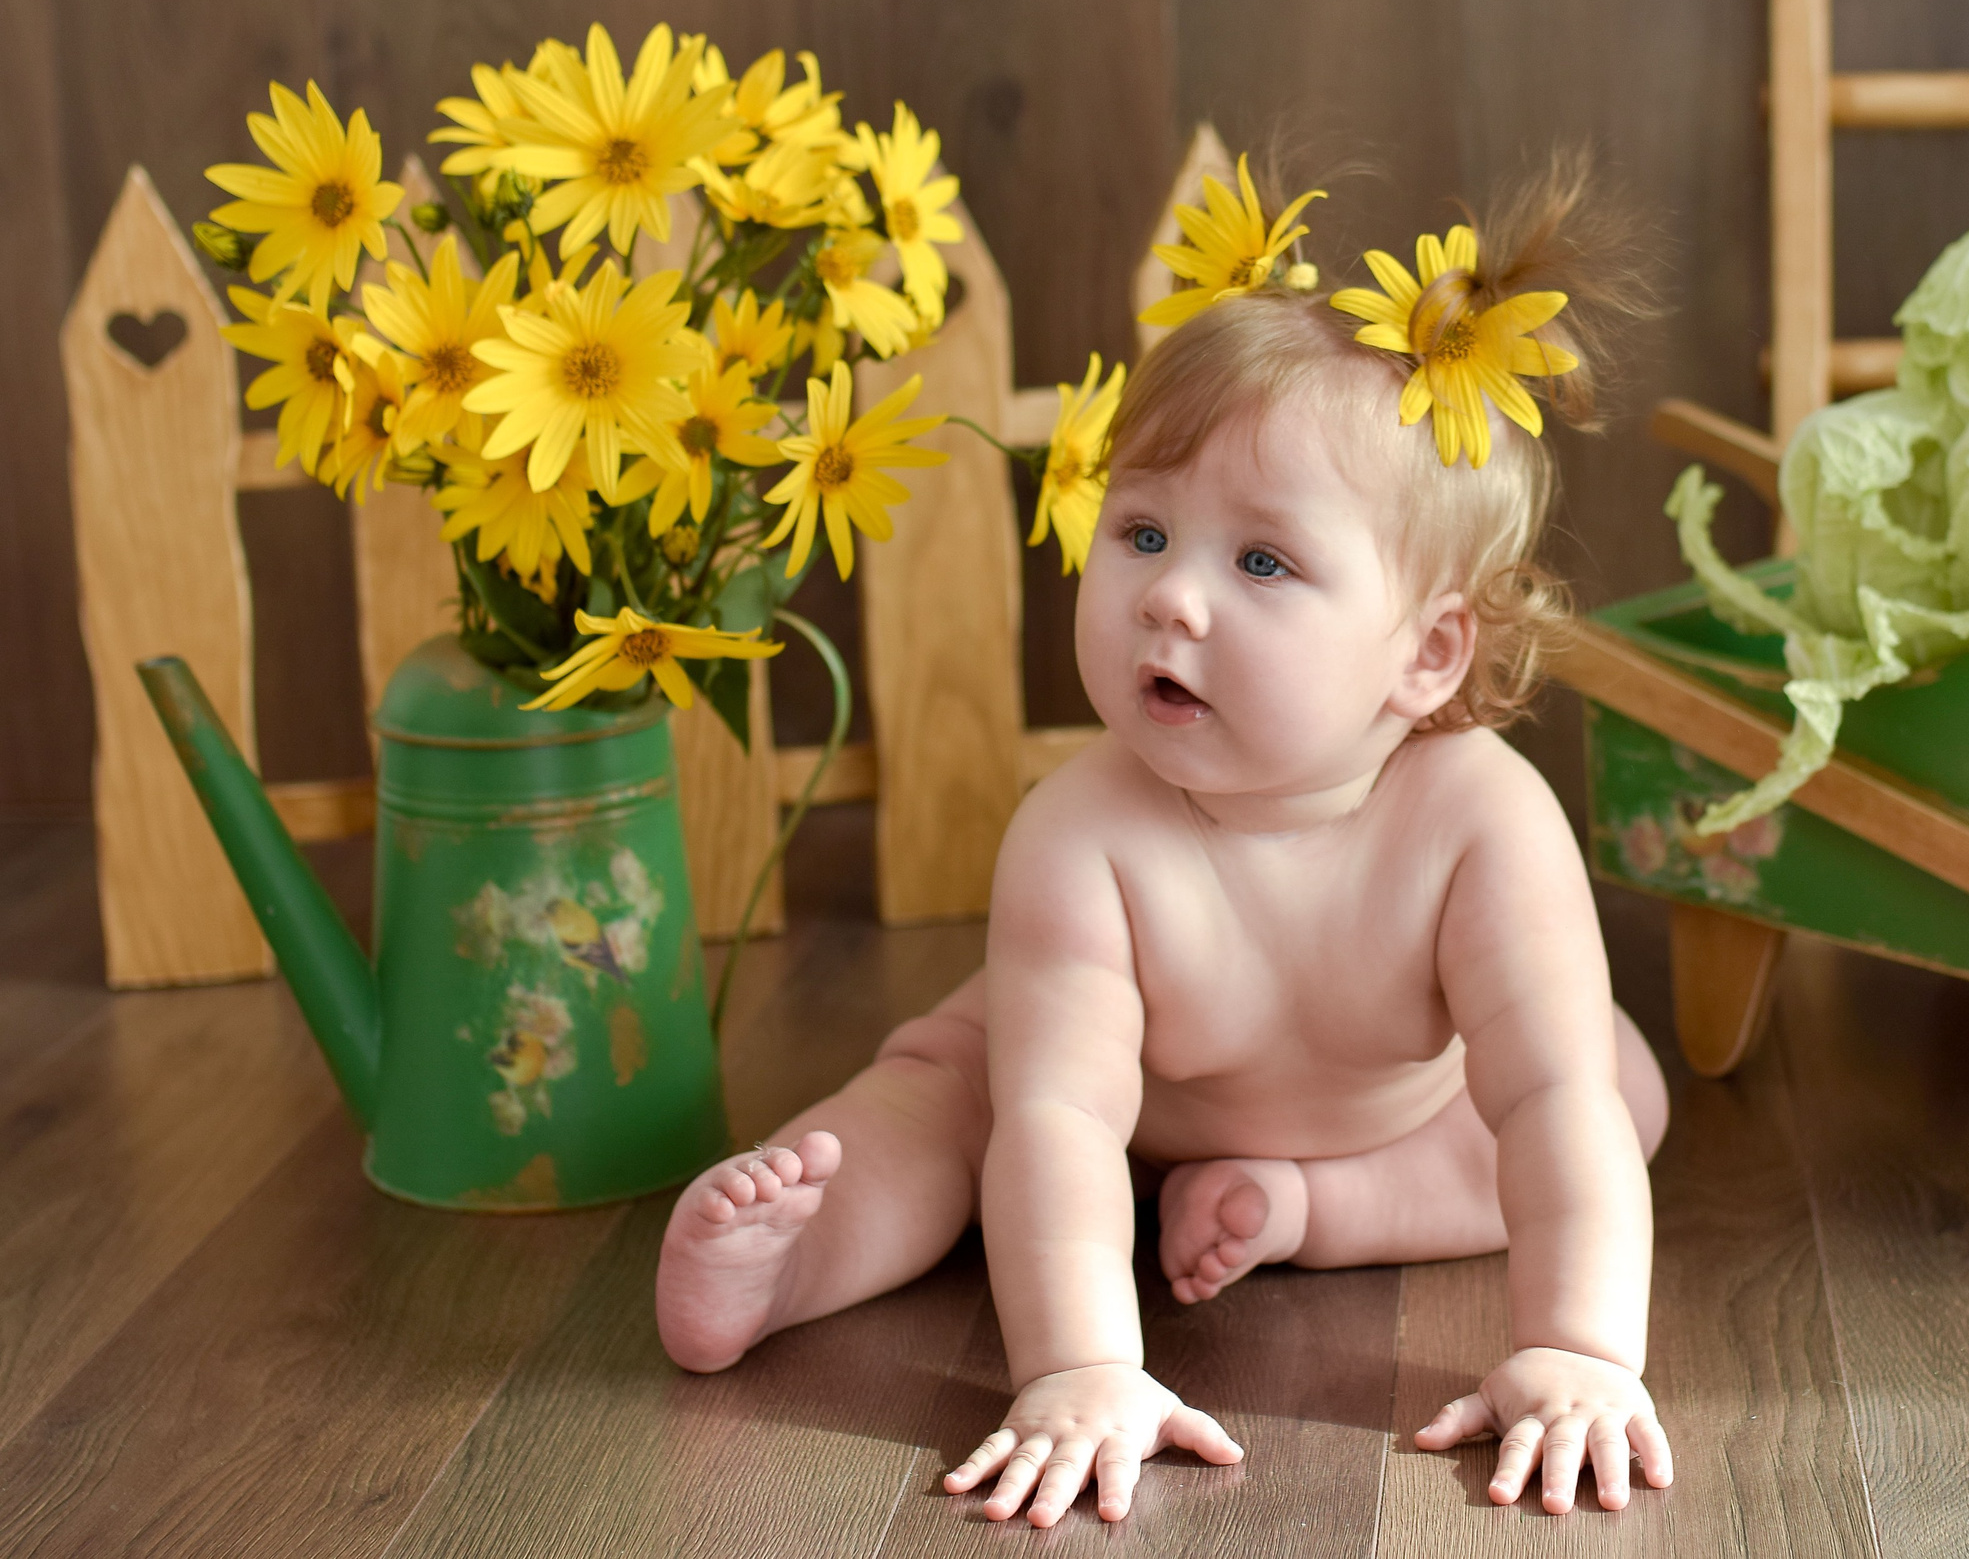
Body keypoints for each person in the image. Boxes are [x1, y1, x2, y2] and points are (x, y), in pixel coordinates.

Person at [654, 157, 1674, 1526]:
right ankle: (789, 1260)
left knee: (1608, 1092)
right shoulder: (1083, 834)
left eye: (1261, 563)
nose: (1168, 600)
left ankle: (1320, 1210)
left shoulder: (1481, 822)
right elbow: (1064, 1118)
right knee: (944, 1099)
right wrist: (1079, 1366)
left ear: (1427, 654)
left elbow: (1547, 1103)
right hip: (1105, 1109)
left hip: (1403, 1111)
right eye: (1141, 531)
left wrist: (1579, 1350)